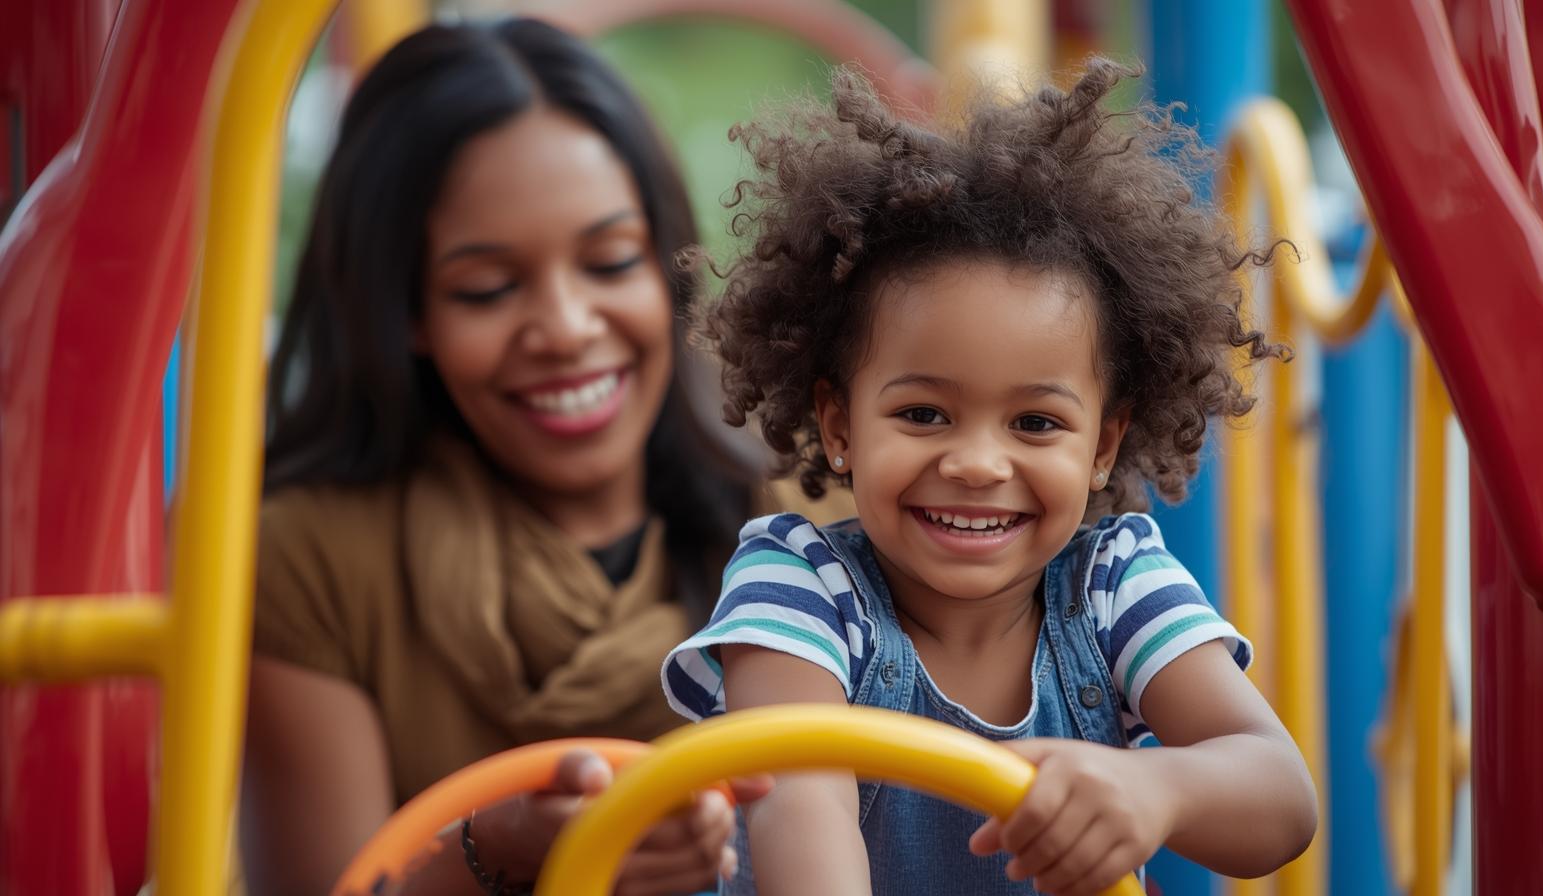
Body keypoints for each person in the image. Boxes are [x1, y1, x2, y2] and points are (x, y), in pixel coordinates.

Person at [661, 61, 1318, 896]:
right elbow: (802, 812)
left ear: (1103, 446)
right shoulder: (800, 589)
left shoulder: (1113, 589)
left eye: (1036, 423)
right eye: (924, 414)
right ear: (839, 426)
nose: (976, 464)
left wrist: (1156, 788)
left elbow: (1282, 798)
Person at [244, 19, 787, 894]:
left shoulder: (816, 507)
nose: (567, 330)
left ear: (668, 268)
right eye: (488, 288)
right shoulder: (309, 557)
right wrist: (490, 852)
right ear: (405, 311)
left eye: (610, 263)